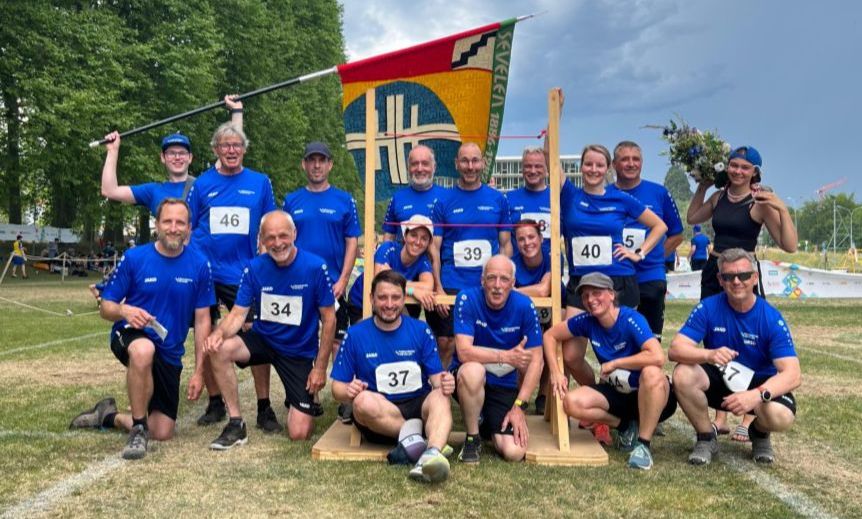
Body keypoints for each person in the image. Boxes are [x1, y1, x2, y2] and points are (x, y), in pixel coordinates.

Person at [69, 199, 214, 460]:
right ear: (157, 225)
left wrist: (199, 372)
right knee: (144, 350)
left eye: (180, 222)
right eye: (167, 221)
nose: (173, 227)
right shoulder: (135, 258)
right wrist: (125, 311)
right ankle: (137, 428)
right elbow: (106, 308)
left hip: (169, 351)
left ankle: (108, 415)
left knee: (161, 431)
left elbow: (203, 320)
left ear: (189, 228)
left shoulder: (200, 264)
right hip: (131, 334)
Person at [686, 145, 797, 440]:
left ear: (754, 172)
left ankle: (748, 418)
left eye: (744, 167)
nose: (737, 171)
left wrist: (781, 208)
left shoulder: (759, 202)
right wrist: (703, 186)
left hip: (744, 274)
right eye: (733, 165)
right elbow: (692, 217)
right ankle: (720, 416)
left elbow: (789, 245)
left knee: (748, 338)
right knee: (714, 337)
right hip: (715, 270)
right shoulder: (719, 197)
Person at [204, 211, 336, 448]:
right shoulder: (253, 268)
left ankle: (302, 400)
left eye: (283, 235)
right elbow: (238, 314)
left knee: (299, 432)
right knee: (219, 348)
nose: (278, 243)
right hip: (264, 340)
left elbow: (329, 319)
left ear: (294, 234)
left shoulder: (315, 267)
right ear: (262, 240)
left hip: (297, 351)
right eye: (270, 238)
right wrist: (219, 334)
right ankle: (236, 422)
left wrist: (319, 368)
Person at [670, 248, 801, 465]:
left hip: (757, 385)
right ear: (720, 280)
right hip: (720, 379)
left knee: (781, 415)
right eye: (729, 276)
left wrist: (756, 395)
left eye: (744, 275)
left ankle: (759, 432)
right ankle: (706, 437)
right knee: (683, 373)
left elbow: (793, 374)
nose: (737, 281)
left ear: (755, 278)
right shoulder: (707, 307)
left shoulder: (771, 318)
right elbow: (675, 350)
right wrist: (709, 354)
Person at [187, 121, 278, 430]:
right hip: (206, 273)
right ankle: (215, 402)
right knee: (206, 332)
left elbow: (269, 225)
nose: (231, 150)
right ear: (216, 149)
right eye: (225, 145)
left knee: (256, 332)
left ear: (244, 150)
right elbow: (188, 226)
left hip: (242, 273)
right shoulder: (202, 184)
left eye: (236, 145)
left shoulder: (260, 182)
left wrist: (265, 264)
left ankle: (264, 406)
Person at [331, 270, 455, 483]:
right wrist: (348, 391)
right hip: (380, 413)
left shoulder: (421, 330)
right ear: (371, 299)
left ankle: (430, 454)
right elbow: (337, 389)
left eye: (396, 297)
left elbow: (436, 380)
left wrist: (446, 382)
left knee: (441, 396)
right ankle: (419, 439)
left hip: (416, 404)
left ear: (404, 298)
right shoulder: (355, 334)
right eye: (382, 297)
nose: (389, 304)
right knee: (362, 401)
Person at [543, 272, 676, 470]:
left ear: (612, 295)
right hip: (617, 394)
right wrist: (555, 371)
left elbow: (657, 356)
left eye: (596, 293)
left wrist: (616, 363)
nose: (590, 300)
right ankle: (624, 426)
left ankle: (643, 445)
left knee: (652, 373)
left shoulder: (631, 319)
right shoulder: (587, 320)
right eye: (586, 296)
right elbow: (550, 336)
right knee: (571, 402)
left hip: (650, 394)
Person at [451, 255, 543, 463]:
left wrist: (519, 406)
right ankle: (472, 438)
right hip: (469, 378)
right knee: (473, 371)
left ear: (513, 283)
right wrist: (505, 356)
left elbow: (536, 360)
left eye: (504, 279)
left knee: (514, 452)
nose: (497, 285)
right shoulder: (466, 298)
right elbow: (464, 352)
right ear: (482, 280)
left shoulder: (525, 305)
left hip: (503, 385)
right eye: (491, 278)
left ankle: (484, 421)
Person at [428, 142, 512, 368]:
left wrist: (505, 283)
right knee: (446, 342)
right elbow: (434, 248)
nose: (470, 166)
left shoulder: (498, 199)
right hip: (452, 283)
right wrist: (438, 287)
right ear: (456, 164)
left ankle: (479, 384)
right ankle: (441, 385)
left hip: (488, 285)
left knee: (484, 339)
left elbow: (505, 245)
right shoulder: (443, 200)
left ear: (483, 163)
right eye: (464, 161)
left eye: (475, 160)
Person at [98, 96, 244, 214]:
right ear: (163, 158)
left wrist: (237, 111)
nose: (177, 157)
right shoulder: (152, 191)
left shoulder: (203, 184)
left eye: (182, 153)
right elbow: (109, 190)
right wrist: (112, 151)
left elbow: (232, 150)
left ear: (190, 158)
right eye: (172, 153)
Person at [283, 141, 361, 348]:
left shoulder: (345, 200)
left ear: (330, 165)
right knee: (299, 342)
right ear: (304, 164)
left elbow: (352, 241)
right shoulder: (291, 201)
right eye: (312, 160)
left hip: (333, 284)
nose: (317, 165)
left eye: (322, 160)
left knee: (337, 342)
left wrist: (343, 280)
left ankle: (338, 374)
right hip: (298, 283)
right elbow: (283, 241)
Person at [612, 141, 683, 339]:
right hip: (616, 277)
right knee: (620, 339)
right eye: (624, 159)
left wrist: (653, 256)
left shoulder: (659, 193)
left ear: (642, 163)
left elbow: (677, 234)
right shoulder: (606, 194)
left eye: (636, 159)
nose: (631, 164)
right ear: (614, 164)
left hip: (650, 277)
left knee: (650, 340)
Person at [347, 214, 436, 325]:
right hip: (361, 300)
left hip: (388, 303)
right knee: (367, 334)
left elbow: (428, 286)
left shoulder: (423, 260)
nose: (418, 242)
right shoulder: (388, 248)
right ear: (405, 235)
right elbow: (382, 282)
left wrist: (394, 278)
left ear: (428, 243)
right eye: (413, 235)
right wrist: (413, 290)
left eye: (424, 238)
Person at [511, 219, 555, 414]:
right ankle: (520, 397)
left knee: (551, 343)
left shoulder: (552, 256)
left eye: (531, 237)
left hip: (552, 310)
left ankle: (543, 396)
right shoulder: (513, 263)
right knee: (524, 350)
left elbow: (544, 290)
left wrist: (514, 291)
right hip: (525, 313)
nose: (527, 243)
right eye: (521, 239)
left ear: (541, 238)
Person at [381, 145, 447, 243]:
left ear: (434, 167)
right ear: (408, 168)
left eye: (425, 164)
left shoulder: (447, 197)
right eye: (414, 164)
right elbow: (388, 237)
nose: (419, 169)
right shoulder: (397, 198)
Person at [506, 147, 553, 256]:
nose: (533, 171)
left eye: (538, 166)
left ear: (546, 170)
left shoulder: (557, 198)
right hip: (518, 266)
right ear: (522, 169)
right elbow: (505, 241)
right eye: (528, 166)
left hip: (551, 265)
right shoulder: (509, 198)